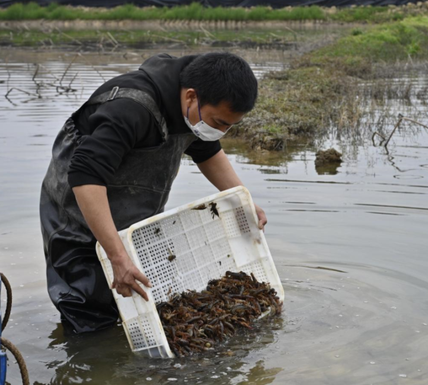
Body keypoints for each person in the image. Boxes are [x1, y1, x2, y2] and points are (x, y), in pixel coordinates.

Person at [39, 52, 267, 334]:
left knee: (142, 299)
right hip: (78, 212)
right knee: (89, 312)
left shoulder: (193, 109)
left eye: (231, 125)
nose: (223, 131)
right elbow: (86, 176)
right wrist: (117, 256)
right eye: (219, 122)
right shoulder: (131, 108)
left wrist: (241, 199)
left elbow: (207, 152)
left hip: (130, 210)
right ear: (192, 97)